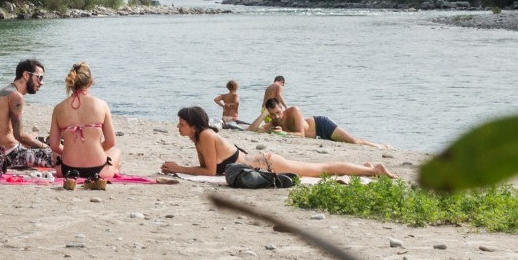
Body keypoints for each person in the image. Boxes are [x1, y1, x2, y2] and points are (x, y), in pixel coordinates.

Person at [162, 107, 392, 180]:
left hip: (268, 164)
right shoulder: (198, 138)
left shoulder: (206, 136)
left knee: (323, 169)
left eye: (181, 123)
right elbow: (207, 170)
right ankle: (367, 168)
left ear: (194, 125)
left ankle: (373, 170)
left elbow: (210, 171)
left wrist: (178, 168)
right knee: (321, 169)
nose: (178, 127)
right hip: (262, 163)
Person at [49, 61, 118, 191]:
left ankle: (72, 178)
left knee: (55, 154)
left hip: (67, 169)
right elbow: (110, 142)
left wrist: (72, 152)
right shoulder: (101, 105)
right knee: (116, 152)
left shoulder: (59, 108)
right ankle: (96, 178)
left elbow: (54, 145)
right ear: (90, 82)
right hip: (99, 168)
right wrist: (93, 150)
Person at [0, 58, 56, 171]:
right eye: (39, 77)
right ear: (26, 75)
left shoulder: (2, 93)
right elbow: (19, 135)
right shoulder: (16, 96)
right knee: (58, 156)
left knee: (34, 140)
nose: (41, 83)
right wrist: (45, 147)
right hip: (9, 155)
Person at [254, 96, 386, 146]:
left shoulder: (293, 111)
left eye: (278, 112)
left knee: (353, 142)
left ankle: (380, 146)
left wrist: (283, 133)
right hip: (317, 137)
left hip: (321, 125)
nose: (277, 117)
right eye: (272, 115)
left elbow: (302, 135)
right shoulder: (271, 125)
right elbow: (250, 131)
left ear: (281, 108)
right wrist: (262, 116)